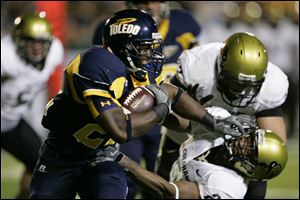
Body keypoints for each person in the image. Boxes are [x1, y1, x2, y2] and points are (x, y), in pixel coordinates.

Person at [29, 9, 242, 199]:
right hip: (61, 155)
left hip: (103, 156)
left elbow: (173, 95)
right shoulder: (96, 63)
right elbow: (121, 129)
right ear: (123, 46)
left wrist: (210, 121)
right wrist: (160, 110)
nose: (151, 54)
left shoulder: (137, 71)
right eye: (144, 48)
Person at [156, 32, 289, 199]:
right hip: (185, 136)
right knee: (160, 188)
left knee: (256, 183)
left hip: (241, 145)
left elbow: (274, 140)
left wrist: (248, 153)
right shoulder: (198, 65)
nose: (242, 90)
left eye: (249, 85)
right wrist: (206, 121)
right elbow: (172, 109)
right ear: (221, 67)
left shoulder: (273, 84)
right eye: (236, 82)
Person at [93, 1, 202, 198]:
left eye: (156, 1)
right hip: (128, 114)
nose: (150, 6)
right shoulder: (112, 28)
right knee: (124, 181)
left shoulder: (183, 23)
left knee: (162, 183)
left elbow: (197, 66)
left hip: (166, 120)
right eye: (142, 1)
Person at [92, 106, 288, 199]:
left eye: (250, 151)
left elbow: (169, 191)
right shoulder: (224, 124)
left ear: (254, 170)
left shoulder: (228, 187)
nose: (243, 143)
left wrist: (124, 161)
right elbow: (185, 122)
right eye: (249, 139)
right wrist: (157, 112)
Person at [1, 12, 64, 199]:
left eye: (42, 42)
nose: (38, 48)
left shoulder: (55, 52)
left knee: (41, 165)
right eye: (32, 42)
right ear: (19, 41)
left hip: (11, 122)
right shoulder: (5, 56)